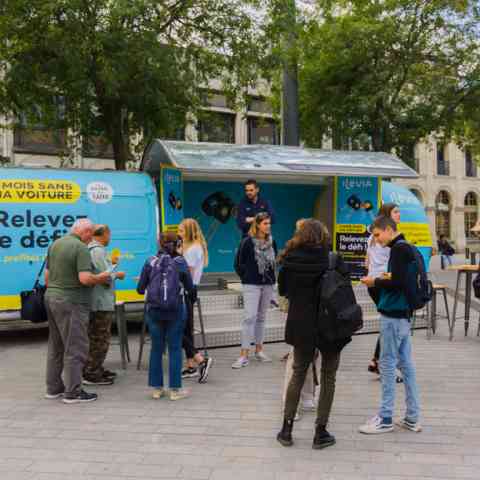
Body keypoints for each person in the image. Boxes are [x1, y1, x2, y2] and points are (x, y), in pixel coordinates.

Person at [276, 219, 351, 449]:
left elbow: (283, 291)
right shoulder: (332, 259)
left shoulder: (289, 259)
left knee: (298, 372)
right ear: (322, 235)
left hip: (302, 324)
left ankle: (286, 430)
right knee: (329, 376)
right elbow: (345, 288)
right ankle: (321, 431)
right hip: (330, 326)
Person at [359, 216, 421, 434]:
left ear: (387, 230)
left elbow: (397, 282)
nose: (376, 240)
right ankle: (412, 417)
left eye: (377, 235)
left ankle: (385, 417)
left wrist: (374, 280)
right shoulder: (408, 247)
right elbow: (401, 279)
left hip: (393, 314)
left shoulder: (398, 250)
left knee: (386, 364)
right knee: (406, 365)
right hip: (404, 314)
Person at [44, 218, 112, 404]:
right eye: (90, 234)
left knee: (56, 346)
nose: (91, 238)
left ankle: (53, 388)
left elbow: (47, 277)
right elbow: (85, 279)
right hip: (72, 302)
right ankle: (73, 392)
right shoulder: (80, 248)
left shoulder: (56, 244)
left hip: (51, 298)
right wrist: (103, 277)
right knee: (75, 348)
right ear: (87, 232)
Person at [137, 232, 194, 400]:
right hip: (175, 310)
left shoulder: (150, 261)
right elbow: (190, 288)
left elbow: (140, 289)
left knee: (156, 348)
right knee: (175, 348)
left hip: (154, 311)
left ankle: (157, 389)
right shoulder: (180, 262)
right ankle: (175, 391)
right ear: (177, 245)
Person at [281, 218, 317, 420]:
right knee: (298, 359)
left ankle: (307, 396)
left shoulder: (291, 256)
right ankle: (290, 400)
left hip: (299, 314)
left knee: (309, 357)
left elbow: (284, 288)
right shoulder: (323, 257)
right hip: (311, 315)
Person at [232, 212, 277, 368]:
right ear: (257, 224)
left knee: (262, 317)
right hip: (251, 284)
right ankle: (243, 354)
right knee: (249, 317)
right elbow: (238, 263)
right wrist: (246, 277)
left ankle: (259, 350)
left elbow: (274, 263)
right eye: (265, 223)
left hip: (268, 284)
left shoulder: (272, 241)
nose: (268, 226)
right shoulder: (247, 242)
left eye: (269, 223)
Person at [83, 225, 126, 386]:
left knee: (95, 337)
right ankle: (92, 373)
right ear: (105, 234)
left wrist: (112, 264)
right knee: (100, 338)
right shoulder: (98, 251)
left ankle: (95, 368)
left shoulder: (93, 249)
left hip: (96, 300)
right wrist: (117, 274)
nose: (110, 238)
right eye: (110, 234)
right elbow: (104, 277)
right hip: (100, 301)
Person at [365, 203, 401, 376]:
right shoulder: (390, 239)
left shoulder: (371, 237)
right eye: (395, 211)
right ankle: (382, 362)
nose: (399, 214)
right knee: (389, 323)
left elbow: (367, 263)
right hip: (382, 283)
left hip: (372, 283)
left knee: (387, 322)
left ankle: (377, 359)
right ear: (387, 216)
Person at [178, 218, 213, 383]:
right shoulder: (192, 247)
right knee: (185, 329)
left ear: (190, 232)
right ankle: (191, 365)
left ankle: (200, 360)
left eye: (182, 230)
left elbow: (187, 274)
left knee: (179, 329)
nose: (179, 233)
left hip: (185, 290)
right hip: (188, 290)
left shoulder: (192, 249)